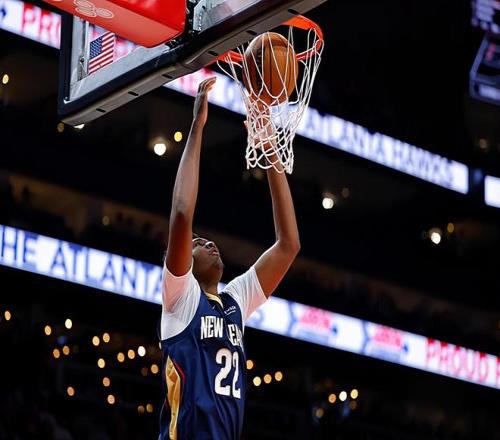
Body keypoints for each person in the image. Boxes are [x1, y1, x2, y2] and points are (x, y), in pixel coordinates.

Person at [159, 77, 300, 440]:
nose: (208, 242)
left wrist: (269, 150)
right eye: (196, 243)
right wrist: (197, 126)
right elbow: (181, 212)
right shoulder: (180, 298)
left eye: (205, 240)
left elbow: (288, 245)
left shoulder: (234, 300)